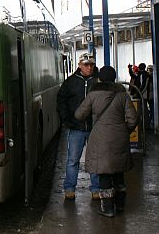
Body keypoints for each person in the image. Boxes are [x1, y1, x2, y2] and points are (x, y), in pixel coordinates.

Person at [75, 66, 138, 218]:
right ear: (114, 77)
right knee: (118, 171)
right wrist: (124, 131)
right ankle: (121, 204)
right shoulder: (122, 94)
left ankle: (108, 208)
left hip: (100, 139)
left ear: (100, 78)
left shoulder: (93, 94)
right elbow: (133, 119)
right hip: (119, 138)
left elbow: (79, 114)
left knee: (103, 172)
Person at [57, 53, 100, 200]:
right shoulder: (70, 82)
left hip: (94, 128)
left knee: (95, 159)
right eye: (86, 64)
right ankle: (69, 188)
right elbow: (61, 100)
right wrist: (65, 120)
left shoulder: (97, 81)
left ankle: (96, 189)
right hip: (76, 127)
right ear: (80, 65)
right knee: (73, 160)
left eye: (92, 65)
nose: (89, 67)